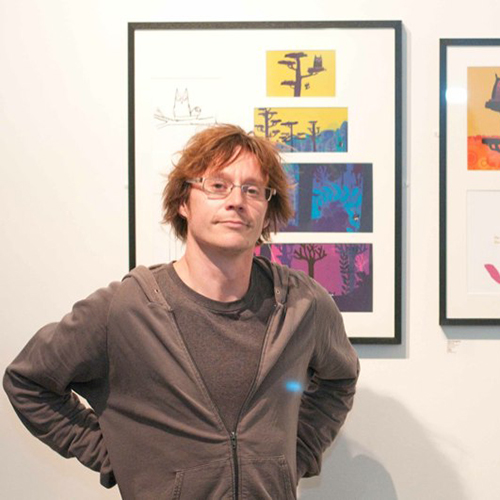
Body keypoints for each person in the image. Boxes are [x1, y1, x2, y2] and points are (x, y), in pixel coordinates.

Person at [3, 124, 359, 499]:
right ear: (183, 203)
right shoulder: (126, 308)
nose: (237, 200)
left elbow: (339, 380)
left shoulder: (302, 304)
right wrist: (116, 457)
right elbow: (29, 381)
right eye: (217, 185)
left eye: (253, 190)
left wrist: (294, 457)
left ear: (267, 212)